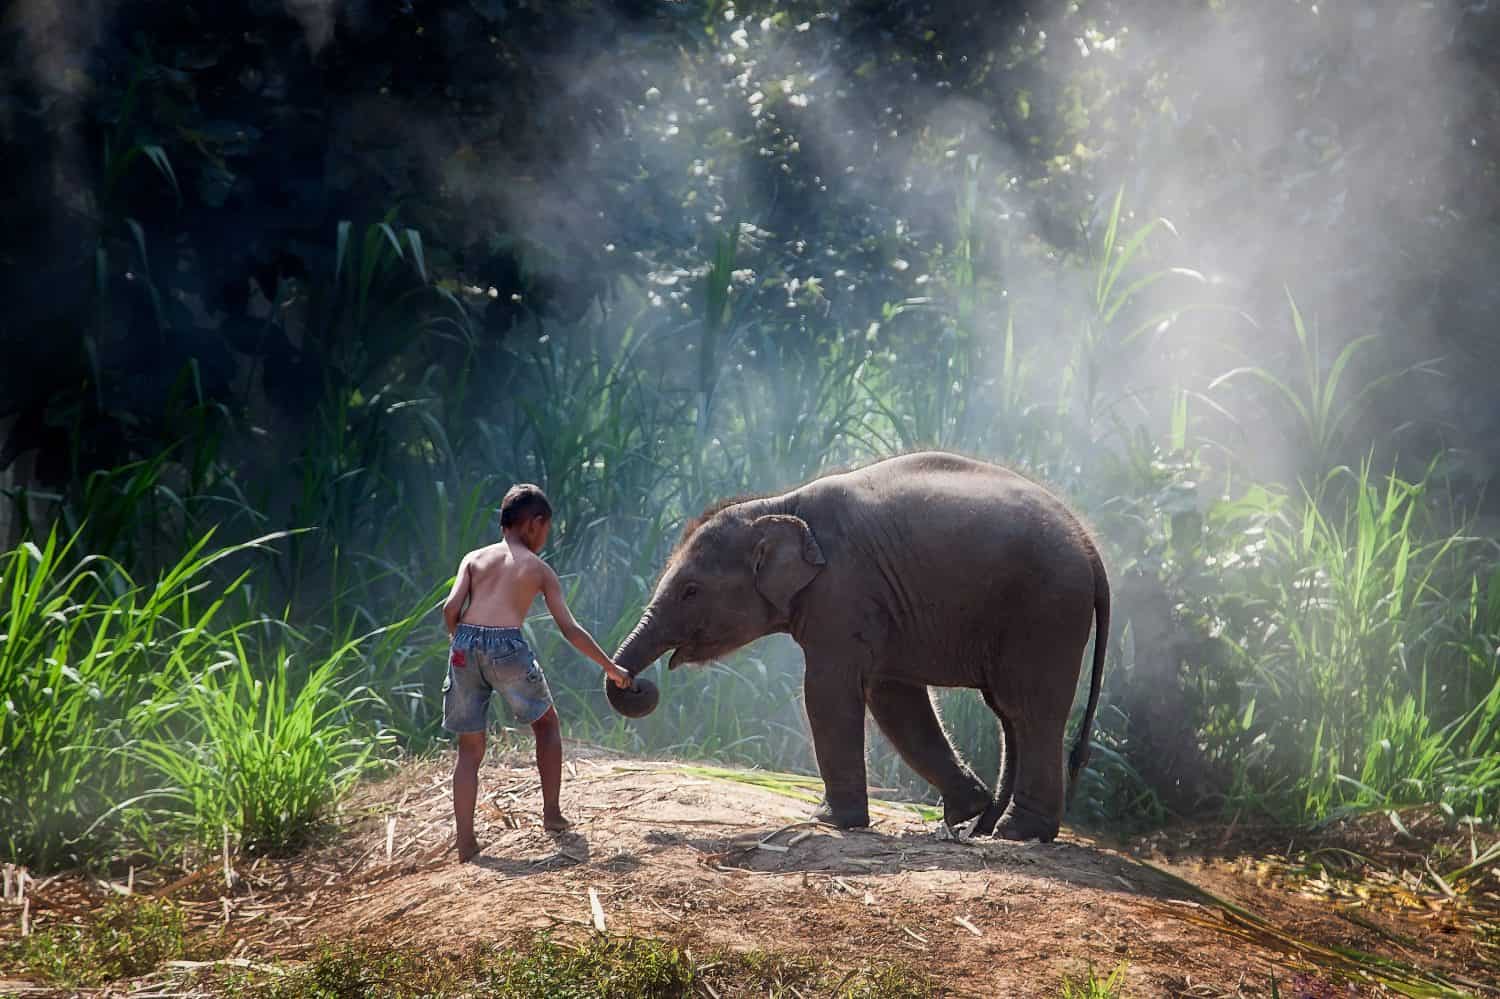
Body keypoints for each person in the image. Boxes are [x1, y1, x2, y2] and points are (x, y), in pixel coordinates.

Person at [440, 483, 632, 862]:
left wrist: (462, 642)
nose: (546, 537)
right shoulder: (538, 569)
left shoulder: (473, 558)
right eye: (546, 529)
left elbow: (450, 608)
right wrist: (611, 668)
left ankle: (465, 843)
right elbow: (570, 629)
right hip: (506, 648)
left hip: (463, 644)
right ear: (534, 523)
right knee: (546, 725)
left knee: (470, 749)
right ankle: (552, 815)